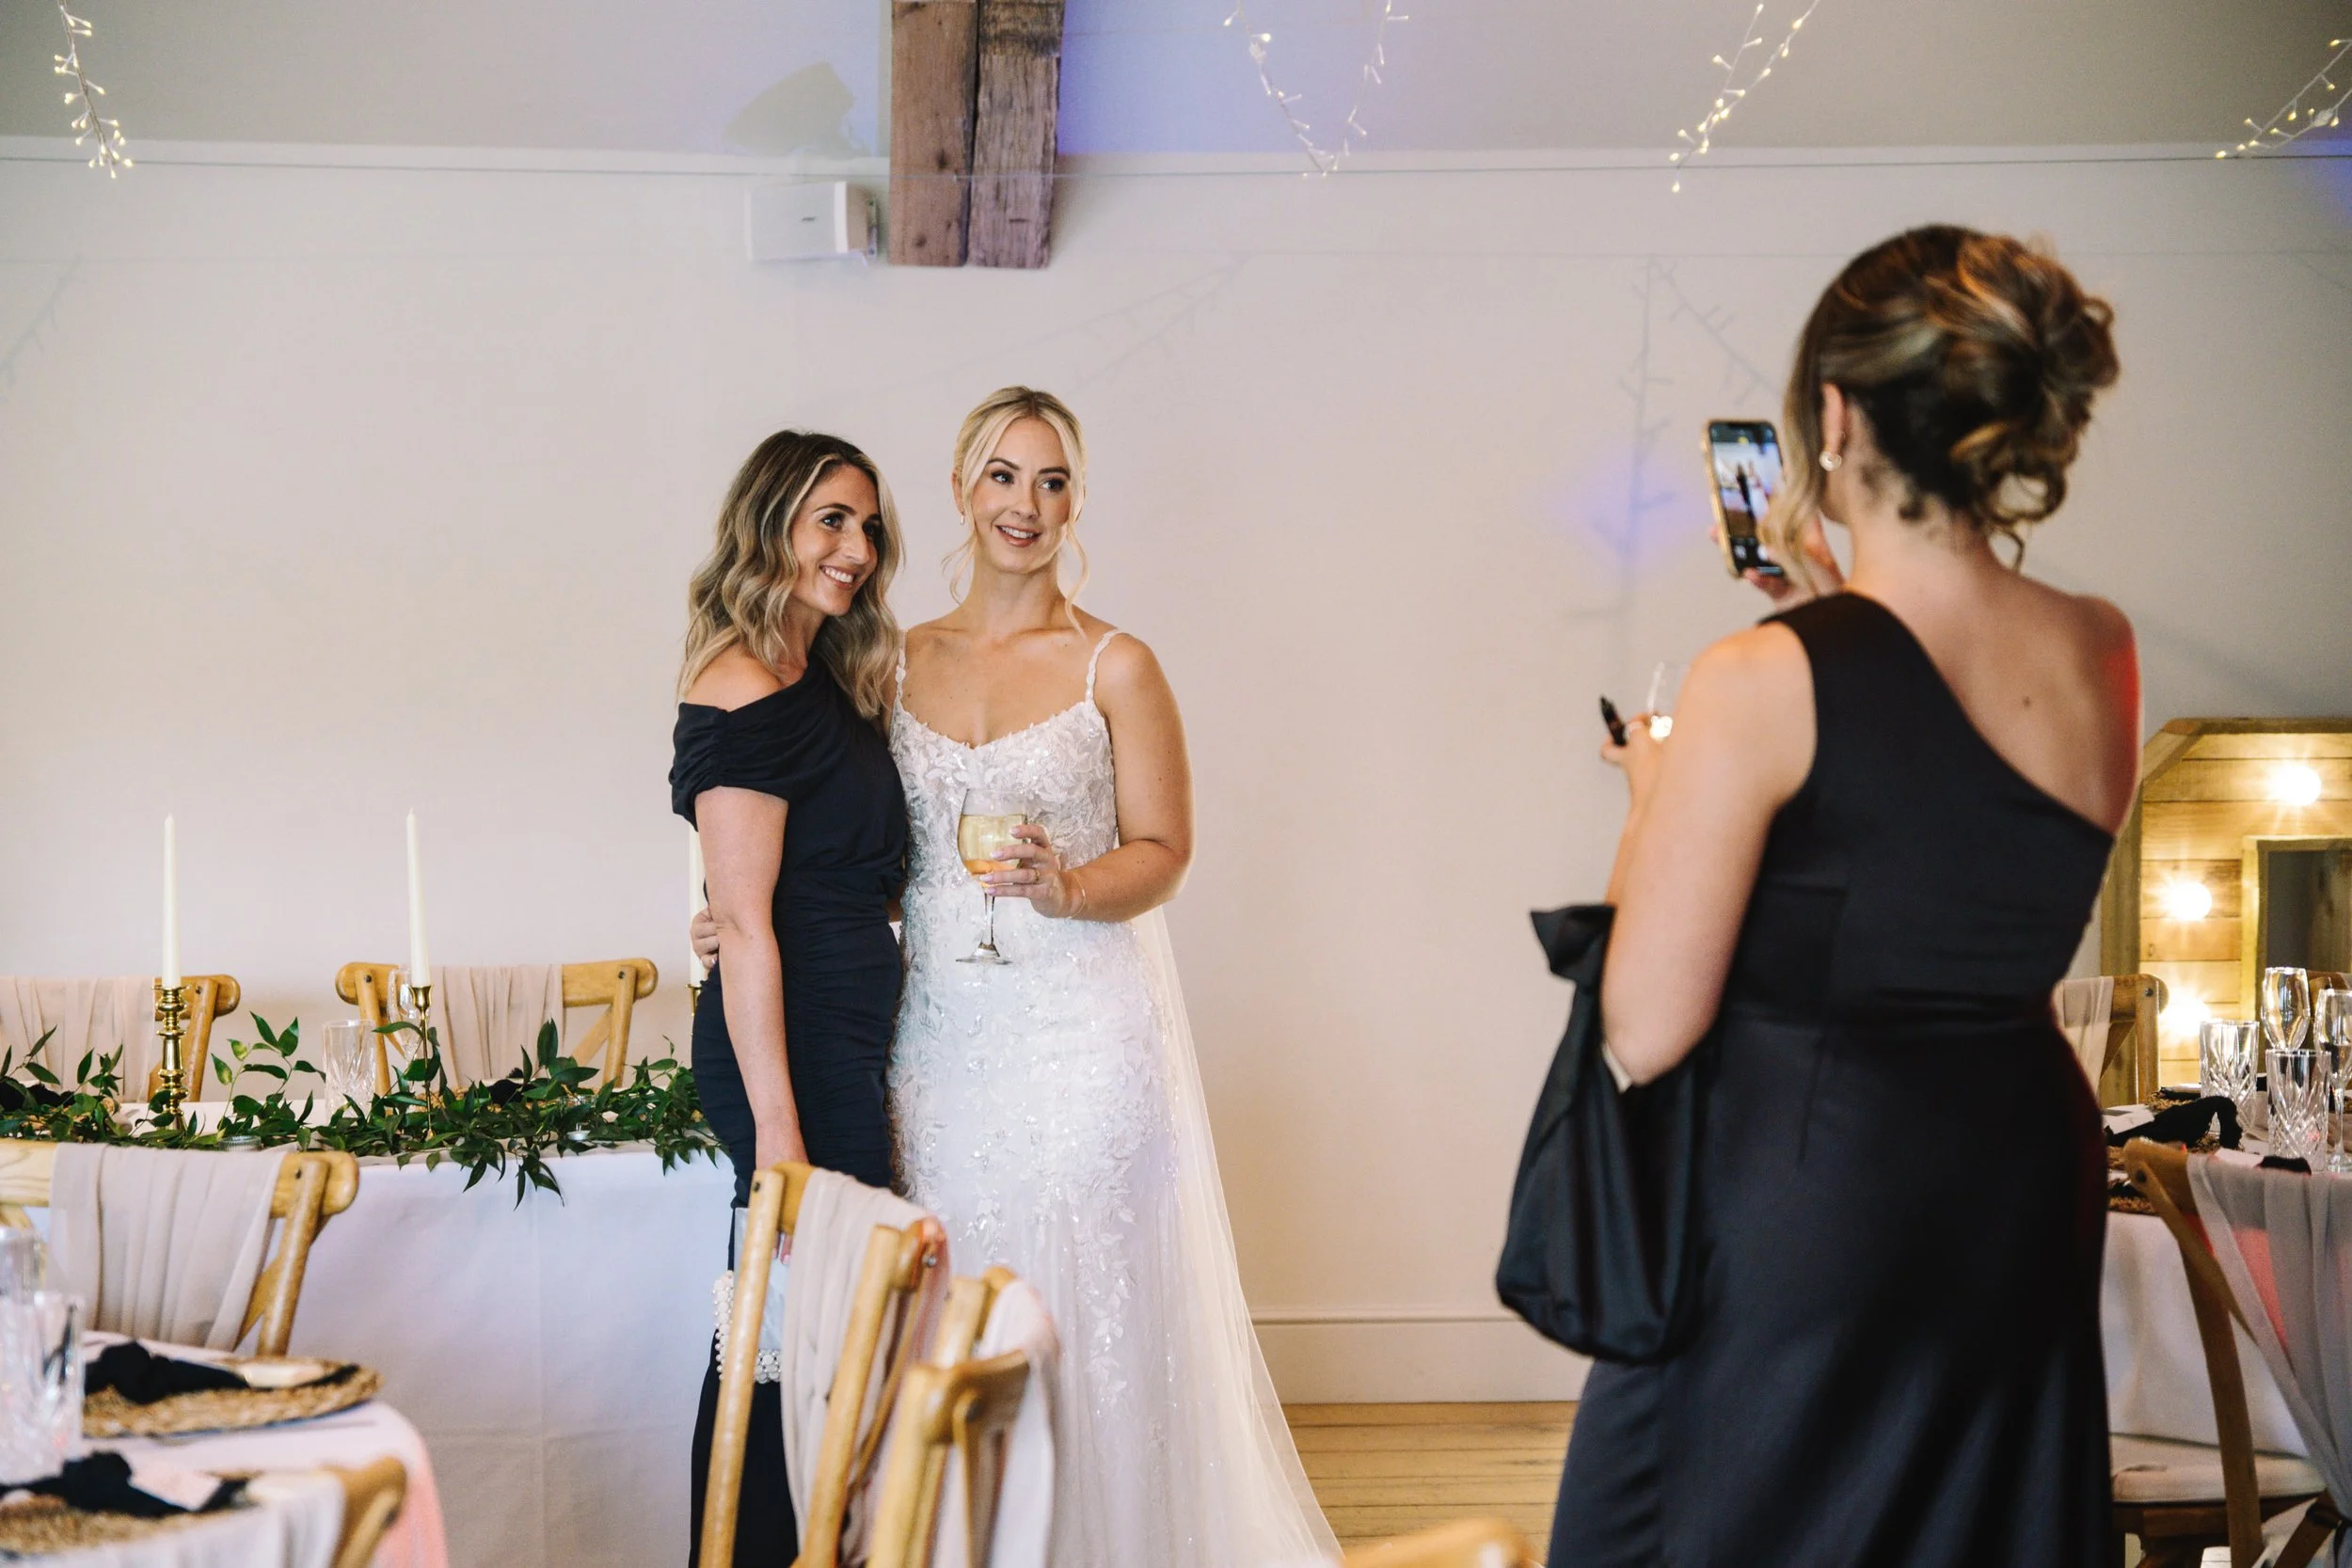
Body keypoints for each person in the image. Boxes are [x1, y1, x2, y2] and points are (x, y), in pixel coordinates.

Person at [1550, 227, 2135, 1567]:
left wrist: (1655, 789)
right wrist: (1825, 604)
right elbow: (1931, 814)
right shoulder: (2100, 649)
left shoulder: (1755, 679)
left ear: (1832, 416)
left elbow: (1644, 1025)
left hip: (1818, 1189)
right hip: (2019, 1177)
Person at [695, 388, 1336, 1565]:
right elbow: (865, 848)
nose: (1025, 504)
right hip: (935, 1037)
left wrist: (1069, 886)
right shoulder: (888, 661)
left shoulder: (1117, 664)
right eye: (1002, 475)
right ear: (959, 489)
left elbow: (1166, 850)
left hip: (1081, 1027)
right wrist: (747, 913)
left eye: (1050, 481)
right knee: (942, 1289)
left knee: (1082, 1288)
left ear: (1076, 501)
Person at [671, 430, 907, 1566]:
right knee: (777, 1336)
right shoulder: (742, 683)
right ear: (770, 524)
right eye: (831, 519)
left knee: (824, 1330)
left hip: (837, 1041)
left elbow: (808, 883)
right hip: (788, 1057)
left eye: (868, 525)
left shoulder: (822, 679)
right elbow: (751, 924)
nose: (856, 547)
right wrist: (777, 1131)